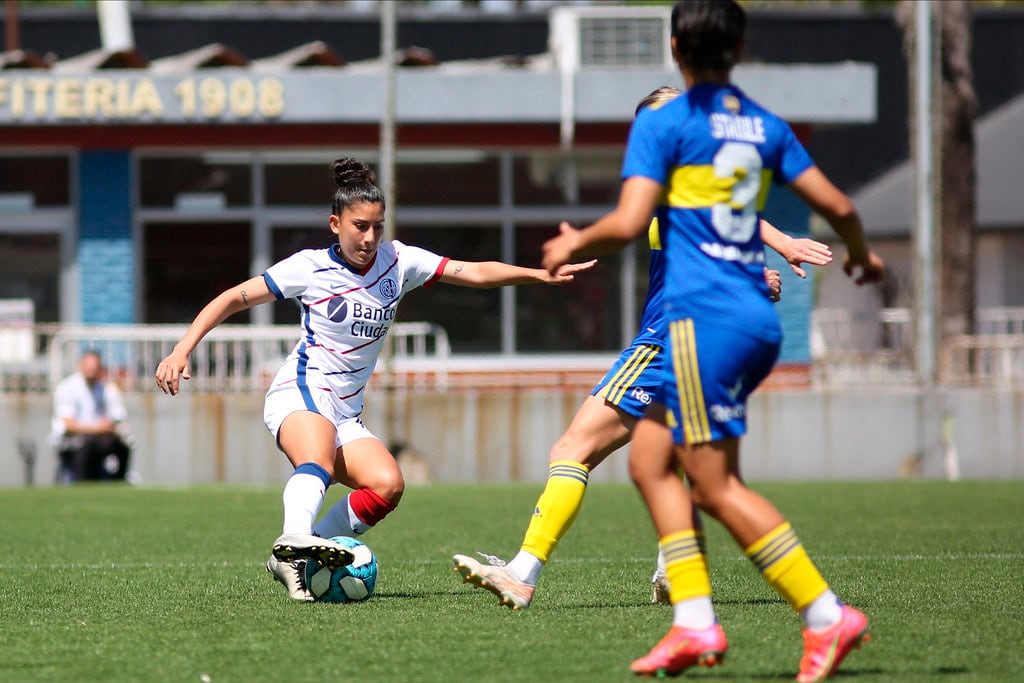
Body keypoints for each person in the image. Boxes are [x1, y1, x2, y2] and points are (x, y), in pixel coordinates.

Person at [540, 2, 886, 680]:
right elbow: (840, 206)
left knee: (715, 486)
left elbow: (630, 221)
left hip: (705, 323)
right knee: (650, 462)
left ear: (675, 48)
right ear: (741, 49)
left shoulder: (664, 123)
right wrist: (862, 254)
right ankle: (694, 621)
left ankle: (825, 615)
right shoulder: (765, 125)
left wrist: (574, 240)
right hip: (751, 322)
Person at [452, 85, 834, 611]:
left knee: (572, 450)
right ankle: (678, 571)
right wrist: (765, 262)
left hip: (664, 345)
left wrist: (577, 242)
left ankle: (522, 573)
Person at [154, 157, 596, 601]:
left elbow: (474, 271)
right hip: (302, 389)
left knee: (387, 484)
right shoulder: (309, 267)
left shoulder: (399, 261)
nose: (369, 238)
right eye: (359, 226)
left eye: (377, 227)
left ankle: (299, 553)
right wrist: (182, 349)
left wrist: (537, 275)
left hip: (346, 410)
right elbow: (233, 298)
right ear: (335, 224)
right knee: (318, 460)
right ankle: (294, 538)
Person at [52, 350, 133, 483]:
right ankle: (81, 483)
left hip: (100, 439)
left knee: (121, 445)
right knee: (86, 445)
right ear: (80, 366)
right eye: (88, 366)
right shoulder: (67, 387)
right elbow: (69, 425)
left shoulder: (107, 389)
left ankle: (119, 482)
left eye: (94, 367)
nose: (91, 370)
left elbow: (117, 417)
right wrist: (97, 428)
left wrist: (110, 425)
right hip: (73, 442)